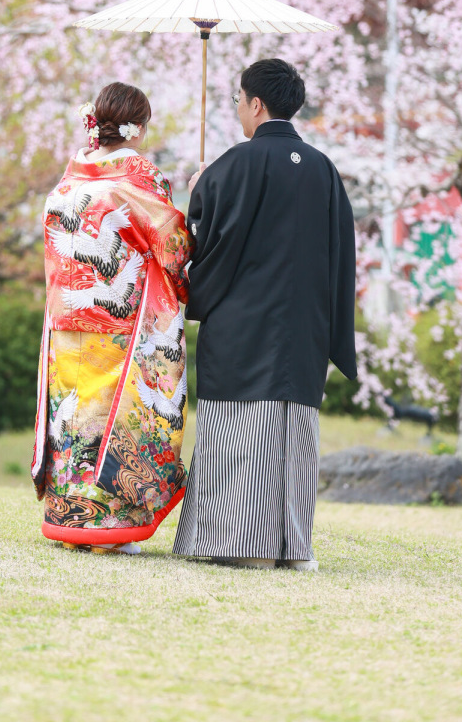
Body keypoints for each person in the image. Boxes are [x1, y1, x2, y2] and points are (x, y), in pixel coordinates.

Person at [173, 58, 357, 571]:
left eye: (238, 99)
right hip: (303, 327)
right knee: (293, 433)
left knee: (236, 428)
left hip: (241, 323)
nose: (236, 108)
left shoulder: (233, 165)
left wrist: (199, 192)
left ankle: (238, 545)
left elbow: (202, 243)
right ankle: (292, 547)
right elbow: (341, 253)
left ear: (256, 104)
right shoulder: (322, 168)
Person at [32, 81, 192, 554]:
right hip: (121, 324)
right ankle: (110, 526)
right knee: (112, 419)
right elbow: (172, 246)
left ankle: (70, 519)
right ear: (138, 129)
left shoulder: (64, 186)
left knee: (73, 417)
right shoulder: (136, 183)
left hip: (66, 322)